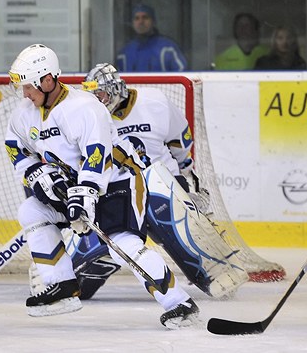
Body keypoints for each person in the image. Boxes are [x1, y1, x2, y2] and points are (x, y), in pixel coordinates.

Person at [6, 44, 199, 328]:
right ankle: (61, 287)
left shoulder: (84, 107)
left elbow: (98, 156)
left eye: (28, 86)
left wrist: (84, 195)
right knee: (32, 212)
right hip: (75, 185)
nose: (25, 94)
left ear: (48, 80)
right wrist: (38, 173)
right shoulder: (24, 113)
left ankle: (179, 303)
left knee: (122, 243)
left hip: (117, 180)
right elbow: (15, 148)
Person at [68, 63, 247, 300]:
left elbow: (180, 139)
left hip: (160, 182)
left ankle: (214, 265)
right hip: (118, 189)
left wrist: (187, 174)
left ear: (115, 90)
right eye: (92, 95)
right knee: (79, 277)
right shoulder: (90, 115)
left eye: (100, 94)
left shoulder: (155, 102)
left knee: (185, 233)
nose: (97, 101)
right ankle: (97, 261)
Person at [116, 4, 187, 72]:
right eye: (137, 18)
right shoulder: (124, 54)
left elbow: (183, 75)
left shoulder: (168, 49)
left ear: (153, 21)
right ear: (132, 23)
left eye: (145, 17)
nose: (141, 22)